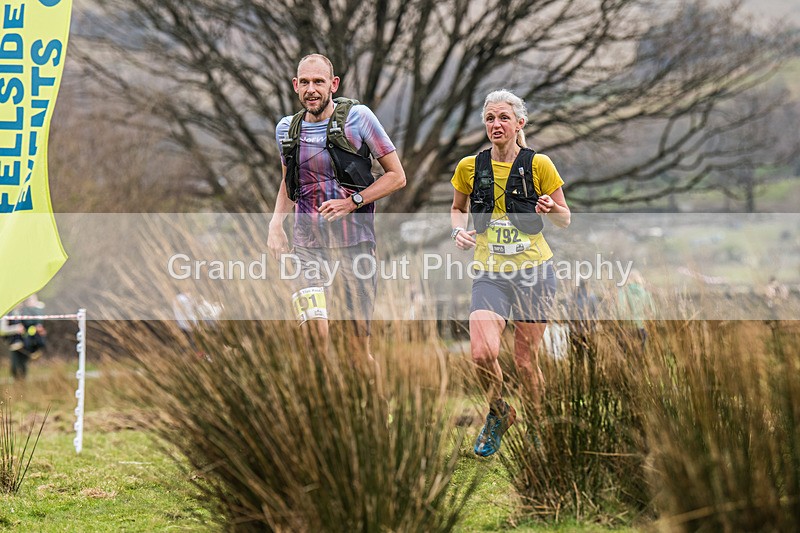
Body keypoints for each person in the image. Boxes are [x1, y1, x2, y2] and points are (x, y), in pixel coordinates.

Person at [450, 89, 570, 457]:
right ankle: (499, 412)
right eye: (490, 118)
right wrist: (458, 230)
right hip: (490, 274)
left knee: (525, 362)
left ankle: (536, 424)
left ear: (520, 123)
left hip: (535, 272)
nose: (496, 124)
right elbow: (457, 208)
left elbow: (565, 219)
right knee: (482, 355)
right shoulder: (470, 167)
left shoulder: (539, 165)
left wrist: (550, 208)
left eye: (504, 118)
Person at [268, 54, 406, 362]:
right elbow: (289, 184)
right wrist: (275, 224)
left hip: (355, 246)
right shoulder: (286, 130)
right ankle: (326, 409)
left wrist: (351, 202)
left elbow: (397, 177)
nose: (311, 89)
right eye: (304, 82)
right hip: (307, 248)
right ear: (295, 86)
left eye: (318, 81)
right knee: (313, 339)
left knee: (356, 354)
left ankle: (377, 410)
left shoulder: (360, 118)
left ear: (334, 84)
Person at [1, 294, 47, 380]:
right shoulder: (7, 312)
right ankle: (16, 383)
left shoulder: (25, 311)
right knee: (15, 366)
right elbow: (2, 330)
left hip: (24, 343)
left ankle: (22, 384)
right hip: (14, 344)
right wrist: (15, 329)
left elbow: (30, 325)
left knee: (23, 366)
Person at [616, 270, 655, 355]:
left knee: (624, 356)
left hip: (627, 327)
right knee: (640, 356)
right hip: (642, 327)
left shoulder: (624, 291)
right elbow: (653, 312)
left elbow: (620, 311)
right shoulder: (646, 293)